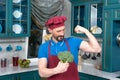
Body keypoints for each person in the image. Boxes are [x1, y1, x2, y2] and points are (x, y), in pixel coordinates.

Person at [38, 16, 101, 80]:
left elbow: (97, 49)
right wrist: (57, 70)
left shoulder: (73, 41)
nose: (62, 33)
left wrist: (86, 31)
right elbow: (42, 73)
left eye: (63, 30)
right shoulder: (44, 47)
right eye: (58, 31)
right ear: (50, 30)